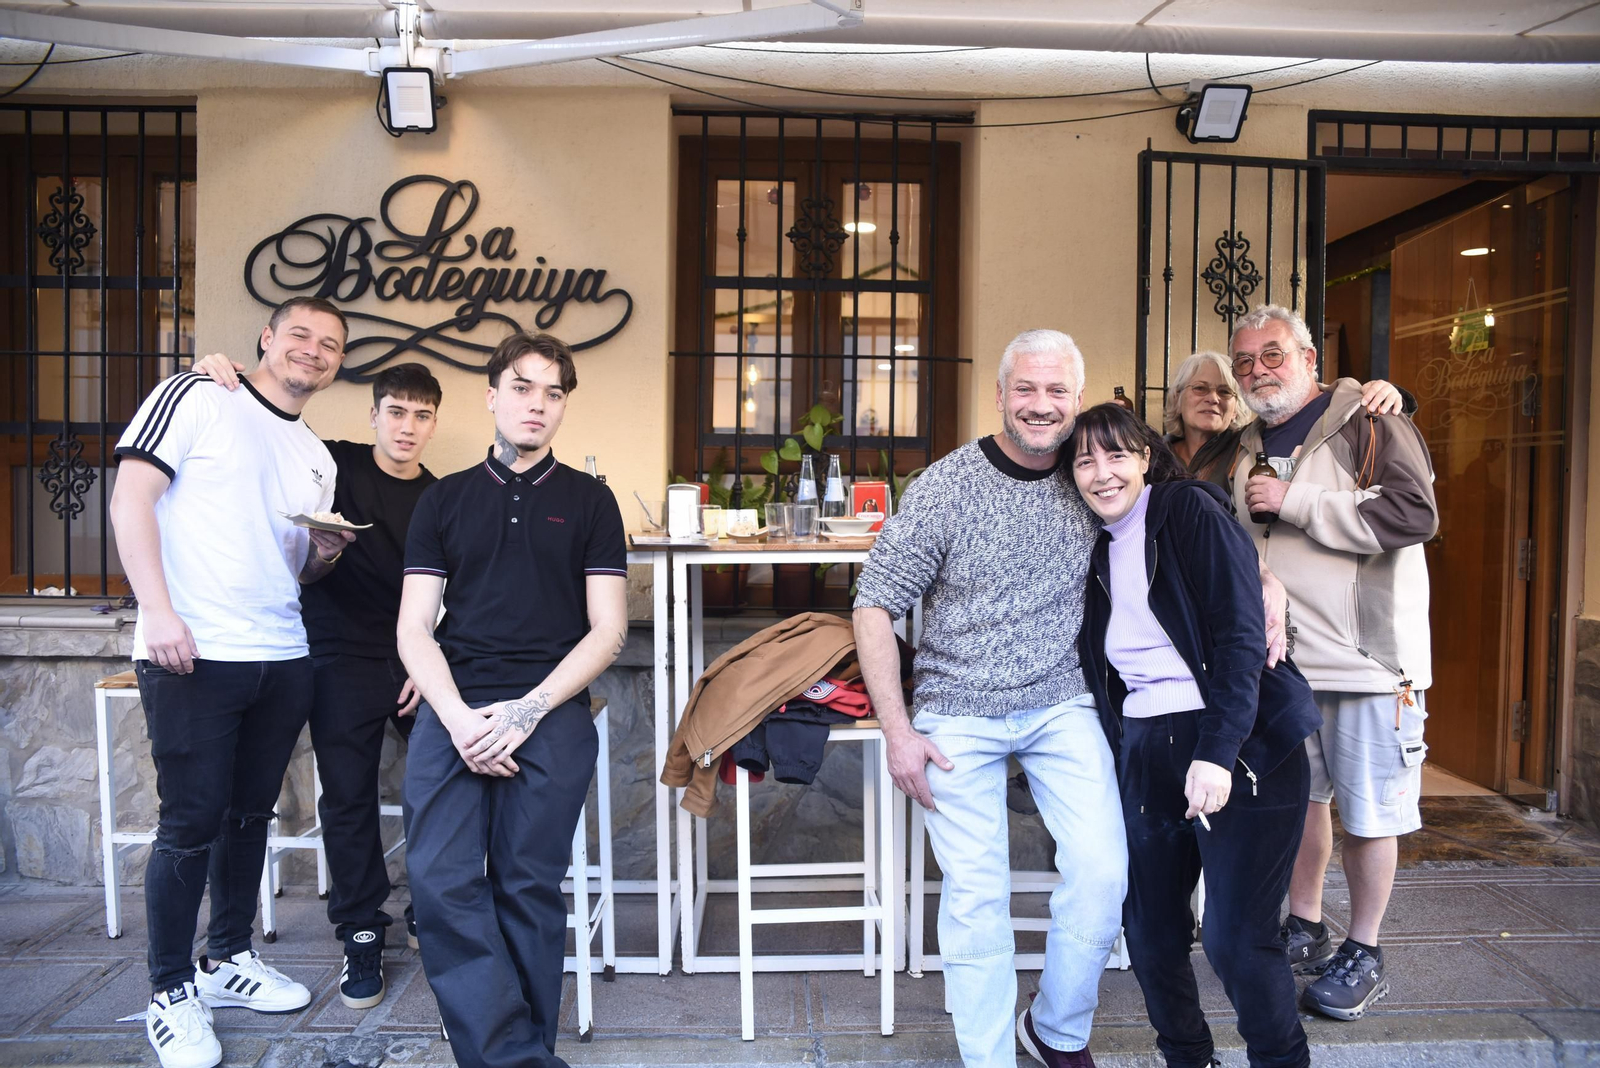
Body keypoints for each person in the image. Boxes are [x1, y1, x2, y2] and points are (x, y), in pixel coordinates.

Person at [853, 329, 1129, 1068]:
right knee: (978, 893)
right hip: (956, 709)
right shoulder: (945, 487)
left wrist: (1262, 578)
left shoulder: (1095, 473)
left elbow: (1189, 512)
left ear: (1077, 399)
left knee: (1105, 871)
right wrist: (898, 731)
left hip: (1059, 700)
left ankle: (1055, 1029)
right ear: (1000, 395)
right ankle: (989, 1059)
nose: (1042, 406)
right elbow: (873, 604)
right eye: (1027, 390)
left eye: (1057, 392)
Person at [109, 297, 354, 1068]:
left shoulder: (318, 454)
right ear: (266, 339)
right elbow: (130, 497)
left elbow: (297, 562)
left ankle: (225, 960)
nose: (314, 351)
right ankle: (170, 991)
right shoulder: (197, 395)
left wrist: (326, 552)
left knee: (249, 815)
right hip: (193, 646)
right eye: (301, 336)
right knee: (189, 822)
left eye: (331, 344)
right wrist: (159, 613)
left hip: (281, 652)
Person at [397, 331, 628, 1068]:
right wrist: (462, 721)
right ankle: (513, 1057)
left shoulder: (591, 501)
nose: (538, 404)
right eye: (523, 387)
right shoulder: (444, 498)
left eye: (553, 392)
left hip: (552, 709)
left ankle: (515, 1054)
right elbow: (412, 629)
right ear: (492, 395)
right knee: (439, 880)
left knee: (526, 884)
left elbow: (609, 631)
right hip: (457, 705)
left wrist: (526, 713)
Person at [190, 353, 443, 1009]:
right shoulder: (333, 463)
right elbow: (262, 423)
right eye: (396, 412)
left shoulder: (442, 496)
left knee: (442, 785)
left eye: (421, 415)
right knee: (348, 792)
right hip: (339, 653)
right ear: (374, 415)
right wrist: (216, 370)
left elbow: (455, 588)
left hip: (416, 653)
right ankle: (361, 927)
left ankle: (432, 907)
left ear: (435, 423)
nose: (407, 427)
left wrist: (430, 655)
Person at [1072, 403, 1321, 1068]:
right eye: (1085, 460)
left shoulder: (1186, 512)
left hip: (1241, 741)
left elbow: (1242, 637)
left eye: (1117, 454)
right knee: (1149, 932)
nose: (1102, 473)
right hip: (1149, 746)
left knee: (1236, 939)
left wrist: (1217, 753)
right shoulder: (1093, 544)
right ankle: (1188, 1057)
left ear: (1147, 456)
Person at [1227, 304, 1437, 1020]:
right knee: (1304, 805)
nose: (1259, 370)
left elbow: (1415, 514)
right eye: (1245, 361)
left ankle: (1366, 949)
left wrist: (1299, 501)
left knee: (1370, 814)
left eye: (1273, 355)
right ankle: (1307, 924)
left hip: (1368, 663)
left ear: (1310, 359)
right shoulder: (1248, 440)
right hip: (1288, 668)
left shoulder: (1371, 423)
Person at [1163, 351, 1408, 490]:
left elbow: (1317, 417)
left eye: (1225, 392)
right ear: (1177, 397)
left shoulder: (1251, 446)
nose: (1213, 399)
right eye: (1200, 389)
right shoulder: (1153, 454)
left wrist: (1386, 394)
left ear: (1237, 405)